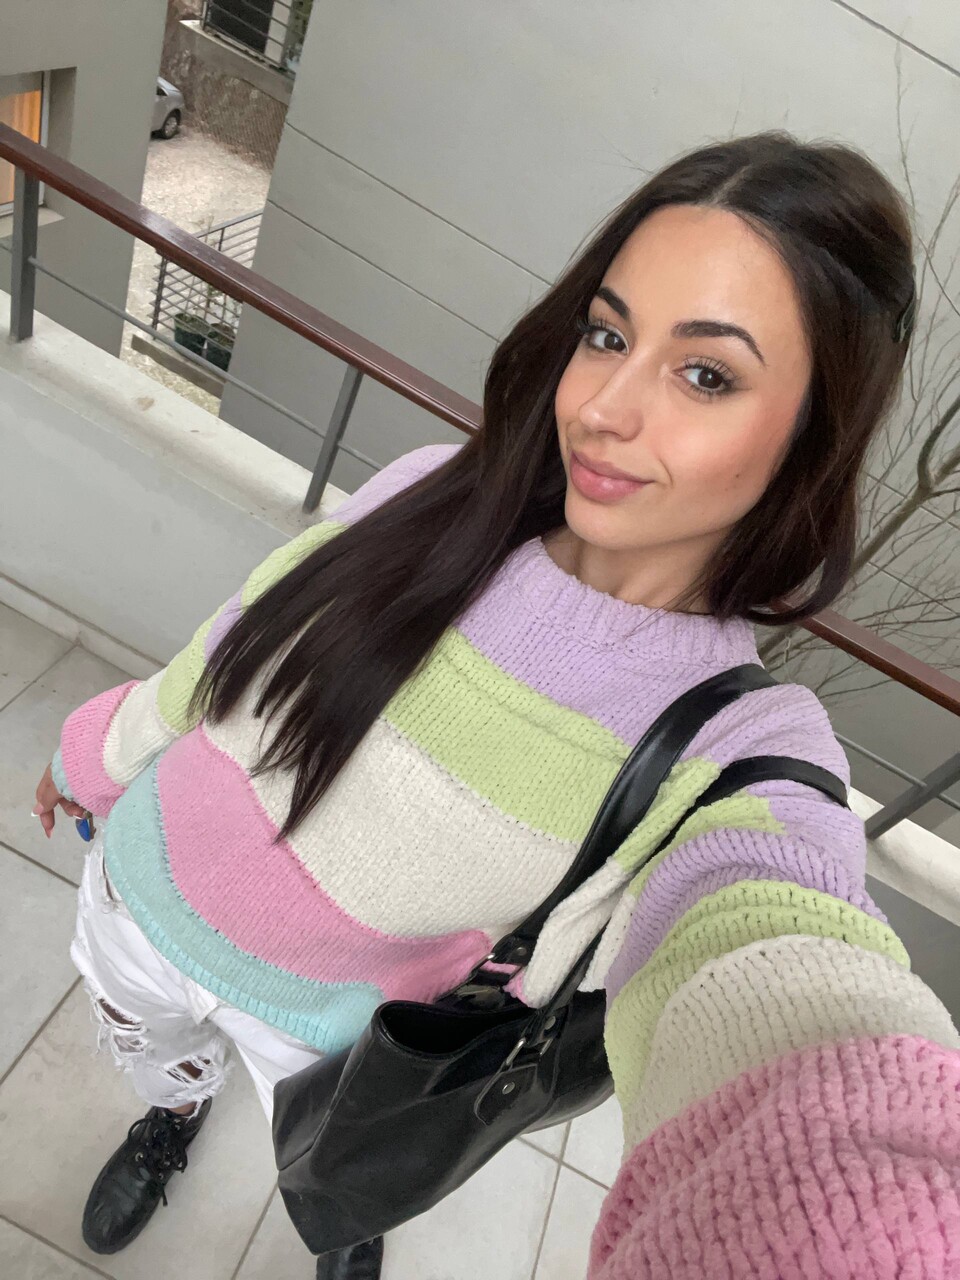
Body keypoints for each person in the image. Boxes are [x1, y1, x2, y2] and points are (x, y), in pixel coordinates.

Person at [34, 130, 958, 1280]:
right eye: (607, 335)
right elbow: (230, 651)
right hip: (138, 892)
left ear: (813, 435)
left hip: (330, 1038)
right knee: (151, 1043)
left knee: (333, 1159)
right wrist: (94, 752)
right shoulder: (432, 491)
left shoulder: (731, 751)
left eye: (706, 374)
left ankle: (349, 1214)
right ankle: (173, 1113)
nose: (605, 406)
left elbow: (778, 972)